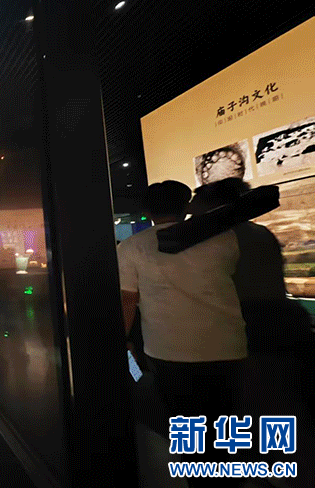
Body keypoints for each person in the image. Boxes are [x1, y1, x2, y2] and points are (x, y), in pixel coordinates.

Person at [118, 180, 247, 486]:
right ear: (186, 205)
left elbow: (128, 300)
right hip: (229, 344)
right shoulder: (224, 237)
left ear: (147, 210)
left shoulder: (133, 246)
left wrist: (122, 340)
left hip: (169, 348)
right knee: (227, 422)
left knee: (187, 424)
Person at [191, 178, 315, 484]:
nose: (192, 211)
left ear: (212, 205)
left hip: (248, 326)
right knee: (284, 403)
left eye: (197, 203)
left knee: (258, 402)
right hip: (281, 322)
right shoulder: (259, 232)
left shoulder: (218, 238)